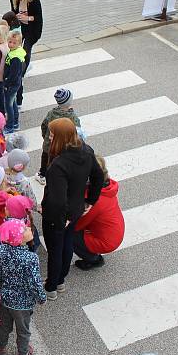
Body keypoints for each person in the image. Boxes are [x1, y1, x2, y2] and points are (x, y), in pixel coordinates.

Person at [41, 118, 105, 300]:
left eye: (52, 134)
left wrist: (62, 218)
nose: (50, 137)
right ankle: (61, 280)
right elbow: (98, 176)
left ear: (61, 137)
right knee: (67, 245)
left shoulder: (58, 166)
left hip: (57, 215)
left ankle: (51, 286)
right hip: (76, 209)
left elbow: (58, 199)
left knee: (55, 250)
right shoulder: (85, 150)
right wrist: (90, 201)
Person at [0, 219, 46, 355]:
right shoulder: (31, 258)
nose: (28, 229)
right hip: (24, 304)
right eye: (25, 229)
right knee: (23, 331)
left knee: (4, 325)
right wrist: (41, 298)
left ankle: (0, 348)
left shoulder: (1, 250)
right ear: (19, 239)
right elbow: (35, 283)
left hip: (6, 299)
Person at [73, 156, 124, 270]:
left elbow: (77, 225)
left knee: (69, 235)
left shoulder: (95, 202)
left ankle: (93, 259)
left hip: (106, 241)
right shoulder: (105, 186)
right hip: (113, 232)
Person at [35, 88, 81, 185]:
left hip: (49, 144)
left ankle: (42, 174)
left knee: (45, 157)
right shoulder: (73, 118)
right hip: (64, 147)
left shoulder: (51, 113)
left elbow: (43, 125)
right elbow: (77, 132)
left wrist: (45, 137)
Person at [9, 0, 42, 107]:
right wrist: (16, 17)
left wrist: (27, 18)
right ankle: (20, 66)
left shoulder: (34, 0)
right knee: (16, 48)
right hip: (19, 28)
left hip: (32, 29)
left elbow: (38, 17)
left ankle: (21, 72)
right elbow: (13, 12)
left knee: (26, 50)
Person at [2, 32, 26, 133]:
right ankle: (15, 123)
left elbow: (13, 74)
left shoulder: (15, 57)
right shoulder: (16, 52)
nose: (11, 44)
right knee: (13, 103)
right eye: (10, 42)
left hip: (11, 84)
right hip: (14, 83)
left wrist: (6, 84)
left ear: (19, 44)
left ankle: (10, 126)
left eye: (14, 43)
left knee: (9, 105)